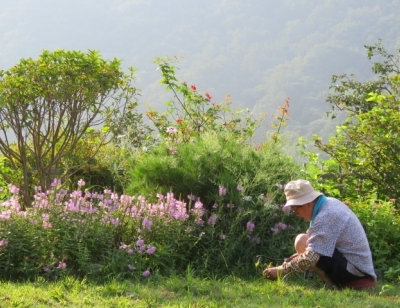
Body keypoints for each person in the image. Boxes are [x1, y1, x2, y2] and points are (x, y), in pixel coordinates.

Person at [263, 179, 377, 290]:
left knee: (301, 241)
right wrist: (289, 261)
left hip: (355, 272)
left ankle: (331, 285)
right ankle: (330, 283)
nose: (296, 214)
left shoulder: (325, 217)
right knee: (305, 242)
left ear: (306, 203)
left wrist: (280, 270)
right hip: (359, 268)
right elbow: (316, 245)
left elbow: (310, 258)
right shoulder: (329, 203)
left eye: (295, 209)